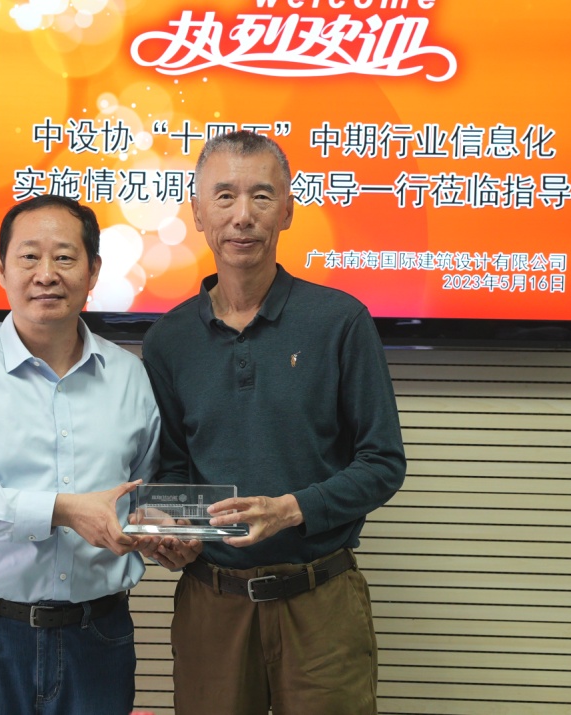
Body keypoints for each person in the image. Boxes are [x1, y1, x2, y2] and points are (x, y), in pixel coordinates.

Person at [140, 130, 406, 715]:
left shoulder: (340, 321)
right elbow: (176, 469)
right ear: (198, 212)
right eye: (225, 196)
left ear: (287, 210)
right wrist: (176, 536)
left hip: (320, 602)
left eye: (261, 196)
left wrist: (291, 509)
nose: (243, 216)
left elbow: (383, 463)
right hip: (213, 604)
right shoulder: (168, 340)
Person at [0, 194, 160, 715]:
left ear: (93, 272)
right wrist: (63, 510)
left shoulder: (130, 377)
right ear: (1, 269)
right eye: (29, 257)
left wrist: (163, 535)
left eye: (65, 257)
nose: (47, 274)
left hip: (99, 636)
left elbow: (141, 495)